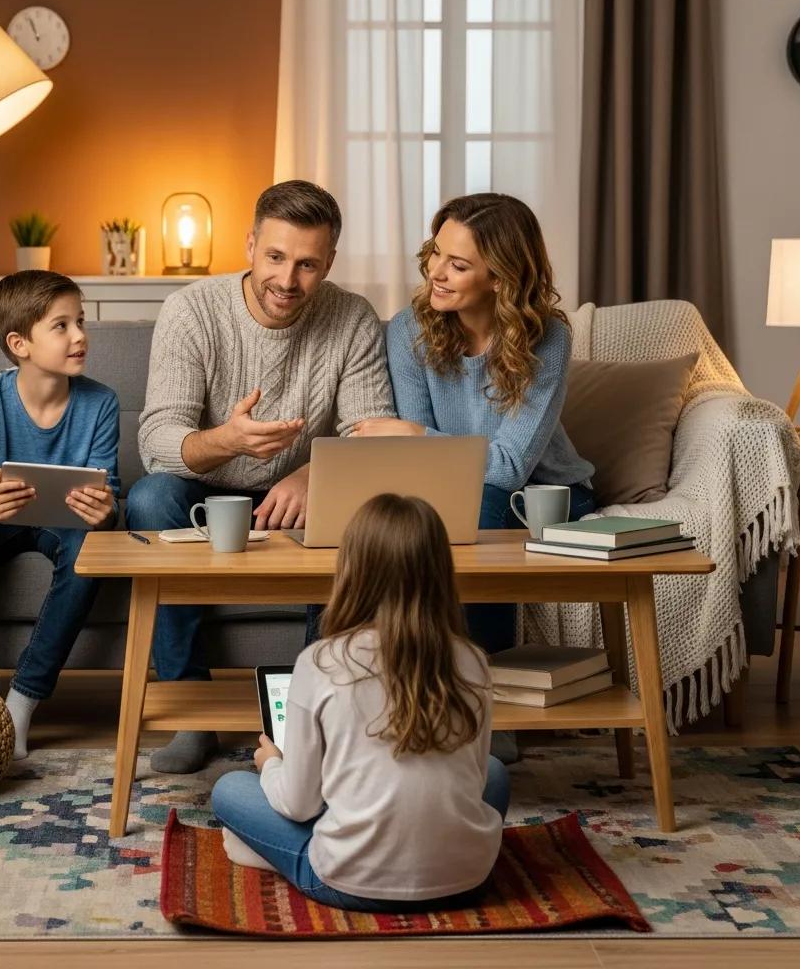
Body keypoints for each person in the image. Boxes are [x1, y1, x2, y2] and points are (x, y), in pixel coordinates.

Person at [127, 180, 395, 774]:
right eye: (275, 257)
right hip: (205, 487)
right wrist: (228, 439)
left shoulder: (352, 317)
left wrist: (312, 471)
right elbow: (157, 440)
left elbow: (368, 433)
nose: (288, 280)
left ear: (328, 263)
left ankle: (309, 717)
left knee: (360, 508)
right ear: (250, 245)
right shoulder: (191, 309)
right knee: (149, 500)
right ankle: (191, 709)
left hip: (302, 493)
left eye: (307, 264)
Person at [211, 494, 509, 912]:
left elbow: (298, 805)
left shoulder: (320, 662)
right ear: (441, 571)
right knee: (495, 773)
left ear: (352, 569)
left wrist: (271, 764)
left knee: (229, 790)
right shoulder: (474, 661)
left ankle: (282, 857)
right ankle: (413, 845)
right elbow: (475, 782)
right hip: (467, 881)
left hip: (348, 882)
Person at [354, 193, 596, 656]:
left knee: (482, 502)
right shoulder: (409, 329)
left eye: (458, 265)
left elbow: (508, 468)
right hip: (450, 488)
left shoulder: (548, 338)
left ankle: (485, 700)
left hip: (546, 493)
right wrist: (417, 447)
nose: (435, 273)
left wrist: (417, 436)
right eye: (436, 254)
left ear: (501, 279)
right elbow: (417, 466)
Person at [0, 271, 120, 759]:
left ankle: (21, 701)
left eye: (80, 321)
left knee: (89, 549)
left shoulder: (101, 402)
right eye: (61, 326)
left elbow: (110, 496)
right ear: (20, 343)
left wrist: (105, 511)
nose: (80, 335)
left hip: (62, 526)